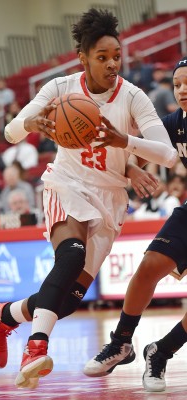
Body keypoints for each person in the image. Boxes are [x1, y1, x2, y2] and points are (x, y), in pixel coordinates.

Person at [0, 8, 177, 390]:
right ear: (81, 57)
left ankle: (1, 316)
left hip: (110, 197)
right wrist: (30, 123)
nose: (112, 64)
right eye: (102, 57)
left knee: (66, 301)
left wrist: (125, 145)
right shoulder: (59, 88)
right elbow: (9, 133)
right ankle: (36, 347)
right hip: (66, 183)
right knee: (69, 254)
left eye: (116, 55)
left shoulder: (132, 97)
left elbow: (167, 154)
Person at [83, 55, 187, 393]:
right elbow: (139, 152)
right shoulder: (173, 123)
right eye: (177, 84)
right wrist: (132, 167)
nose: (182, 90)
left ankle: (162, 350)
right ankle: (121, 343)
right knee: (148, 267)